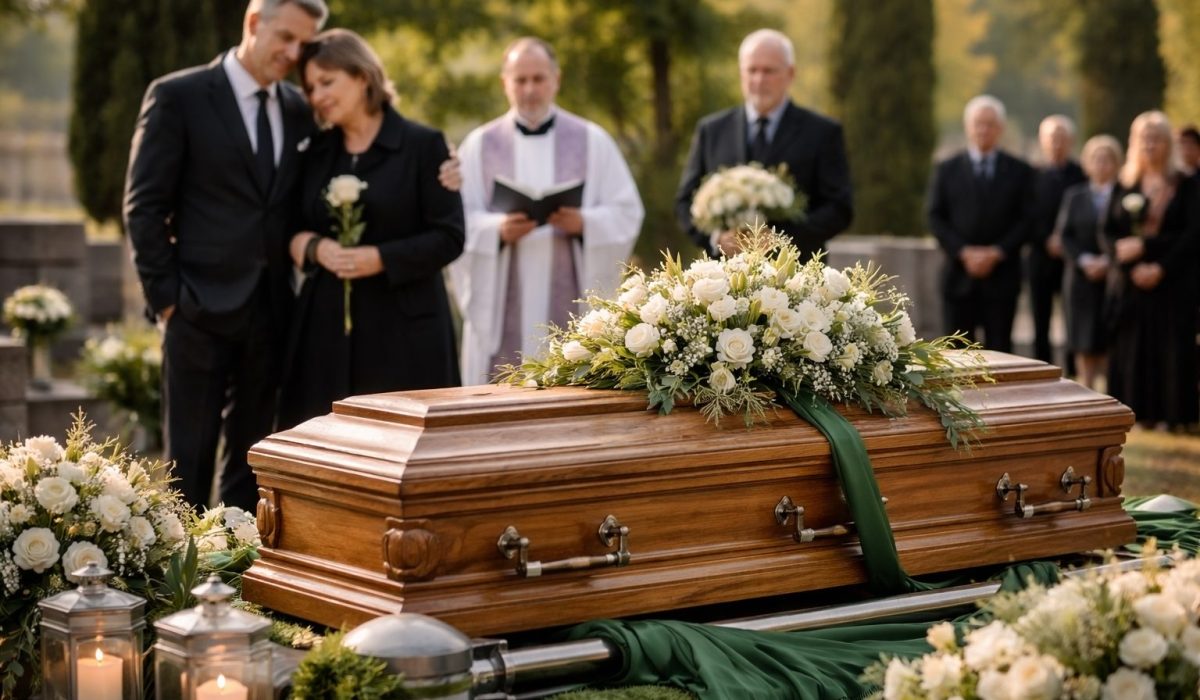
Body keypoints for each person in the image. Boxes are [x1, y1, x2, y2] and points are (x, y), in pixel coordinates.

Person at [124, 0, 328, 511]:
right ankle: (177, 581)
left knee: (253, 459)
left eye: (303, 44)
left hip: (271, 312)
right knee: (185, 464)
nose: (293, 53)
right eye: (285, 37)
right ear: (254, 23)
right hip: (195, 310)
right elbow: (144, 206)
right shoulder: (178, 96)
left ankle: (234, 575)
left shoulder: (300, 110)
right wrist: (167, 299)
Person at [277, 29, 465, 428]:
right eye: (311, 88)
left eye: (327, 82)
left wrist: (380, 258)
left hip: (405, 333)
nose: (318, 96)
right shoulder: (314, 153)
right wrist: (315, 248)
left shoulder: (423, 145)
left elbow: (450, 237)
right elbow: (287, 228)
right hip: (325, 333)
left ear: (362, 76)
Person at [450, 37, 644, 386]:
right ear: (504, 82)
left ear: (556, 79)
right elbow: (455, 220)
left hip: (570, 288)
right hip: (503, 301)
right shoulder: (480, 145)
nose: (530, 90)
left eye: (538, 79)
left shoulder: (592, 140)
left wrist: (585, 223)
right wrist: (496, 230)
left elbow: (627, 211)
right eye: (520, 80)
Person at [676, 29, 852, 259]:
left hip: (798, 279)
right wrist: (716, 238)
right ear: (741, 73)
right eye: (752, 70)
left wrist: (781, 238)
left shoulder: (822, 132)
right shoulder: (711, 130)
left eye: (769, 71)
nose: (759, 80)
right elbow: (684, 202)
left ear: (790, 74)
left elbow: (839, 208)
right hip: (723, 282)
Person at [1107, 111, 1199, 430]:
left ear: (1167, 144)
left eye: (1157, 138)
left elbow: (1191, 233)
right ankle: (1135, 411)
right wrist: (1130, 264)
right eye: (1143, 138)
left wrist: (1154, 258)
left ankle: (1172, 415)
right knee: (1134, 346)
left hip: (1172, 280)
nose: (1150, 145)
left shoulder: (1186, 184)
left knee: (1171, 347)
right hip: (1131, 283)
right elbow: (1107, 231)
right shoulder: (1125, 182)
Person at [926, 95, 1034, 353]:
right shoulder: (946, 169)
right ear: (968, 127)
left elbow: (1028, 219)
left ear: (1000, 129)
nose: (983, 130)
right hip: (958, 277)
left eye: (990, 124)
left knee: (1001, 354)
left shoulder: (1020, 171)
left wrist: (996, 252)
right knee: (955, 355)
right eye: (978, 124)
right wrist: (964, 252)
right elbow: (934, 216)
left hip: (1002, 277)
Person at [1055, 135, 1128, 390]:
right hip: (1080, 277)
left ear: (1117, 163)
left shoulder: (1125, 196)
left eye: (1108, 160)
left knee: (1108, 335)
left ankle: (1110, 391)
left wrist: (1109, 261)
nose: (1102, 165)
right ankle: (1085, 389)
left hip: (1113, 277)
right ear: (1087, 163)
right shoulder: (1075, 196)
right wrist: (1086, 261)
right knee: (1083, 337)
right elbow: (1064, 235)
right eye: (1096, 159)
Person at [1028, 115, 1086, 367]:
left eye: (1062, 138)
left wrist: (1064, 241)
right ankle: (1042, 366)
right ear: (1043, 141)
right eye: (1052, 138)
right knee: (1040, 316)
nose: (1057, 143)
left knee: (1073, 315)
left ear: (1071, 141)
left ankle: (1072, 368)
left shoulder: (1081, 175)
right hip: (1040, 255)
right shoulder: (1032, 175)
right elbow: (1026, 214)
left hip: (1071, 256)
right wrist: (1046, 240)